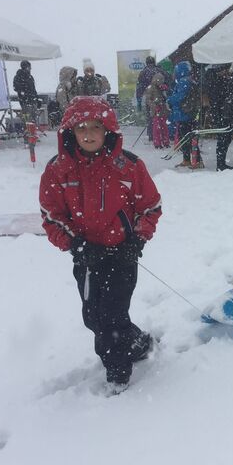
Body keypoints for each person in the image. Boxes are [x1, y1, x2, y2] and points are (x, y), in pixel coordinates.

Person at [38, 96, 162, 395]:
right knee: (93, 316)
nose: (90, 134)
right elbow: (51, 215)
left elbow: (151, 206)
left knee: (112, 316)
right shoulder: (58, 170)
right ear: (71, 131)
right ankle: (138, 342)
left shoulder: (128, 166)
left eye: (96, 127)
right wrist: (75, 245)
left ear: (108, 130)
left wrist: (138, 239)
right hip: (87, 257)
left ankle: (118, 374)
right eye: (82, 128)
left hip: (122, 253)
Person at [167, 60, 202, 168]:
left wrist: (169, 100)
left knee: (188, 138)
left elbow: (179, 97)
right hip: (187, 113)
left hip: (184, 115)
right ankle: (188, 160)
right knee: (187, 138)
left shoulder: (183, 82)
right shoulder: (189, 80)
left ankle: (197, 161)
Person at [143, 70, 170, 149]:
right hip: (156, 110)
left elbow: (166, 98)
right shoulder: (151, 88)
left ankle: (166, 142)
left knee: (164, 127)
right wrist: (154, 106)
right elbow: (148, 100)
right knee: (157, 128)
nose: (161, 82)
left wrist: (165, 91)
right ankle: (157, 143)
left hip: (163, 109)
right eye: (159, 80)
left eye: (162, 80)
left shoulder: (163, 88)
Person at [135, 56, 159, 141]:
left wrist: (139, 100)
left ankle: (151, 135)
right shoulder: (159, 70)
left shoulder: (143, 72)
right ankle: (160, 136)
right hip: (160, 98)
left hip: (149, 98)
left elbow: (139, 87)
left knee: (150, 117)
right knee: (160, 117)